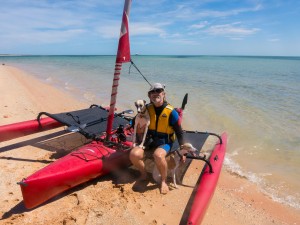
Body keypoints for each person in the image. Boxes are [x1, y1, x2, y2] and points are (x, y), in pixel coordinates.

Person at [129, 83, 185, 194]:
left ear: (164, 94)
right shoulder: (147, 108)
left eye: (158, 91)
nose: (155, 94)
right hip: (149, 140)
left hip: (165, 141)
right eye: (152, 92)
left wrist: (183, 152)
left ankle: (163, 181)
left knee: (158, 155)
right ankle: (144, 174)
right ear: (149, 96)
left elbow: (179, 132)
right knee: (134, 154)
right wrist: (136, 124)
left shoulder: (171, 112)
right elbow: (134, 122)